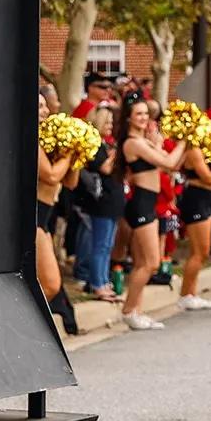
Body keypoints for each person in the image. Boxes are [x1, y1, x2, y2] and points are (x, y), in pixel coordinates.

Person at [116, 98, 187, 330]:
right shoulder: (133, 143)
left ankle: (136, 310)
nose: (144, 118)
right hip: (141, 204)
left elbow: (169, 165)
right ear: (128, 117)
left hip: (149, 203)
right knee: (150, 263)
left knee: (142, 263)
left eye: (146, 113)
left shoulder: (143, 141)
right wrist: (185, 141)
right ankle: (128, 310)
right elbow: (169, 161)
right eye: (138, 114)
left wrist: (161, 143)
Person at [36, 96, 82, 333]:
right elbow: (51, 175)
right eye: (39, 106)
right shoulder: (32, 140)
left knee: (49, 284)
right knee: (50, 284)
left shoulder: (49, 141)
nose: (44, 110)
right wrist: (69, 152)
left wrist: (77, 154)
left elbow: (70, 182)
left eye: (45, 105)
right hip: (34, 218)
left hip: (46, 218)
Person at [74, 105, 124, 302]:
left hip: (113, 201)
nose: (111, 126)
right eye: (108, 122)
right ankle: (97, 283)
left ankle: (104, 280)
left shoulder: (105, 144)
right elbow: (104, 168)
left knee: (108, 245)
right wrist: (116, 153)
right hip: (101, 202)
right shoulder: (94, 145)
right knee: (100, 245)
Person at [174, 128, 211, 311]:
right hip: (196, 199)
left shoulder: (205, 150)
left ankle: (191, 292)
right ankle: (185, 294)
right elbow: (208, 177)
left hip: (205, 199)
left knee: (201, 252)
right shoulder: (194, 151)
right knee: (200, 251)